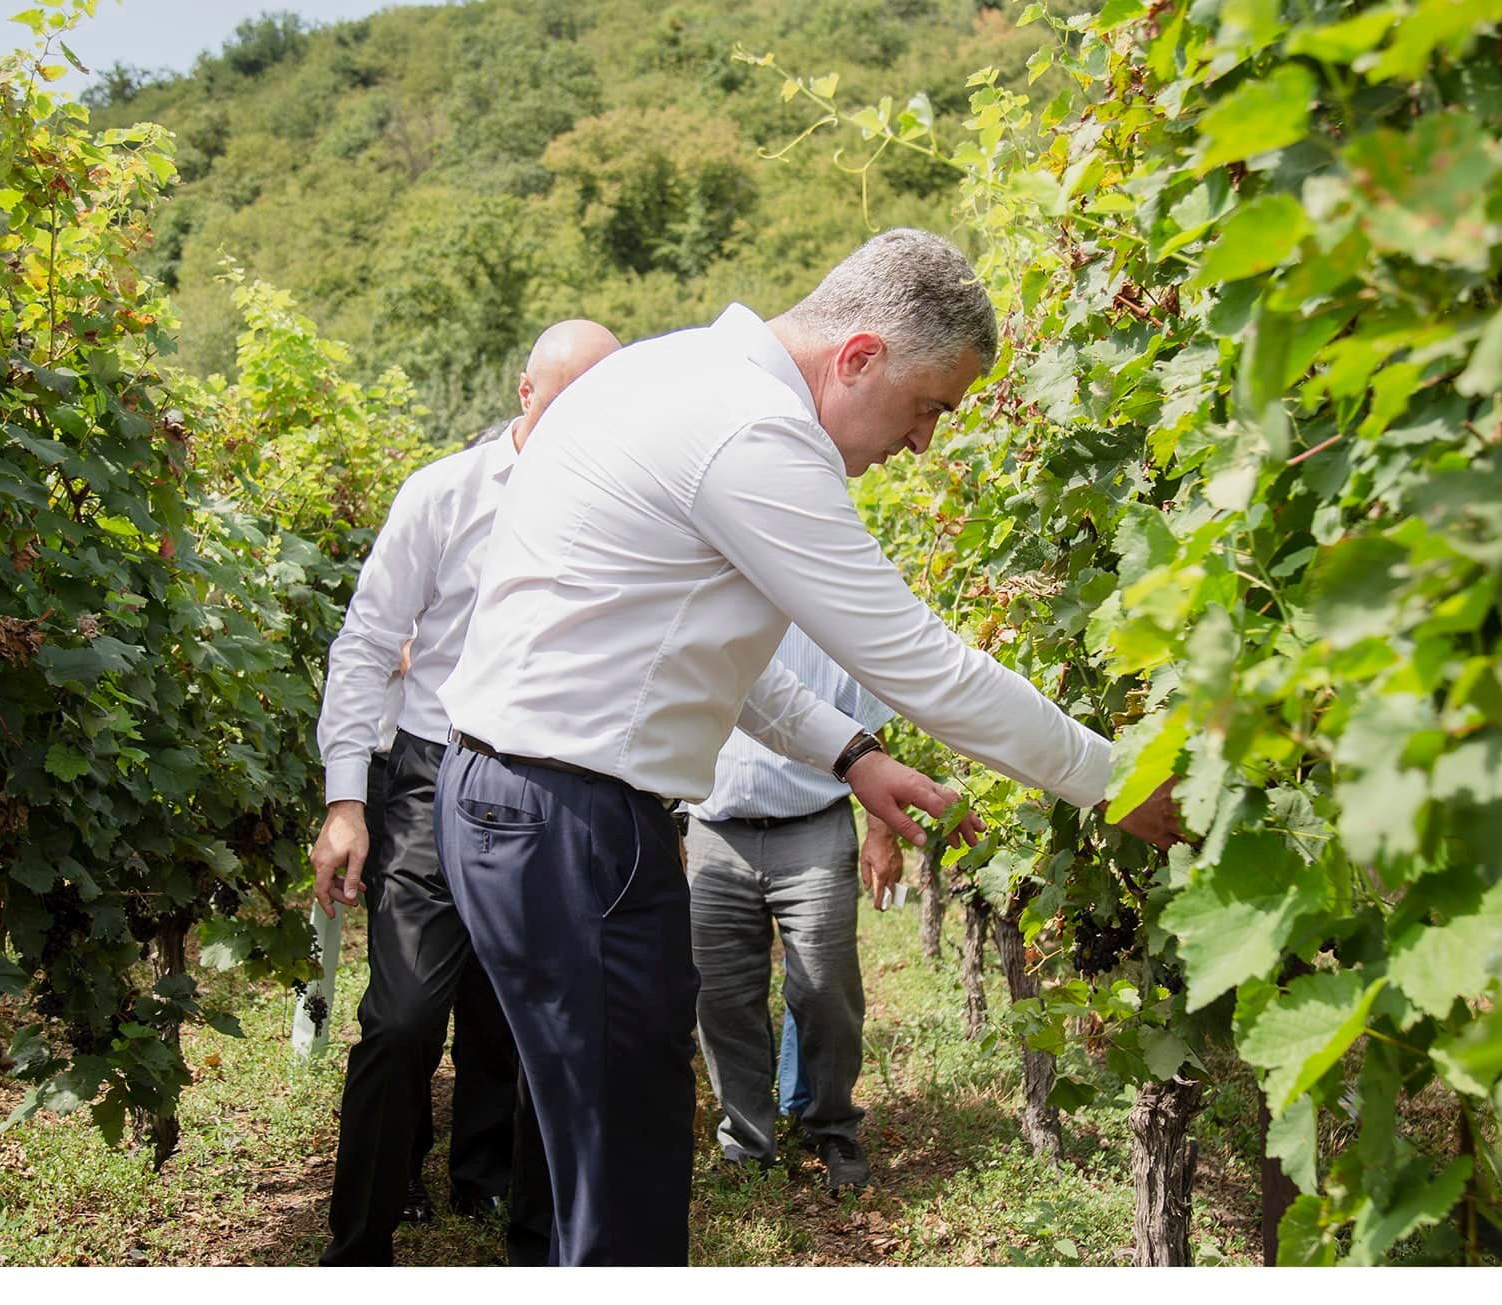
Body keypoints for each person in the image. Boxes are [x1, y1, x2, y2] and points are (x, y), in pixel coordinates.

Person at [435, 228, 1186, 1266]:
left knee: (591, 1157)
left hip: (518, 804)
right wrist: (1115, 779)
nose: (923, 443)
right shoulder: (753, 431)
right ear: (860, 356)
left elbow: (692, 651)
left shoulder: (669, 372)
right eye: (929, 407)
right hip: (572, 827)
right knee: (627, 1179)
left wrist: (851, 757)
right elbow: (921, 663)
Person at [309, 319, 622, 1267]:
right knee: (401, 1018)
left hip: (547, 785)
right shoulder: (443, 493)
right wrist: (346, 798)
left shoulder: (622, 506)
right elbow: (369, 641)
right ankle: (357, 1247)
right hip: (430, 773)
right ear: (524, 390)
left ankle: (505, 1205)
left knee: (520, 1022)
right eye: (564, 402)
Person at [684, 625, 900, 1191]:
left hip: (813, 827)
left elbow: (869, 733)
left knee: (826, 987)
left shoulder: (823, 626)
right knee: (721, 996)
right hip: (715, 831)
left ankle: (831, 1125)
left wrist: (882, 830)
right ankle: (746, 1140)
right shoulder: (706, 614)